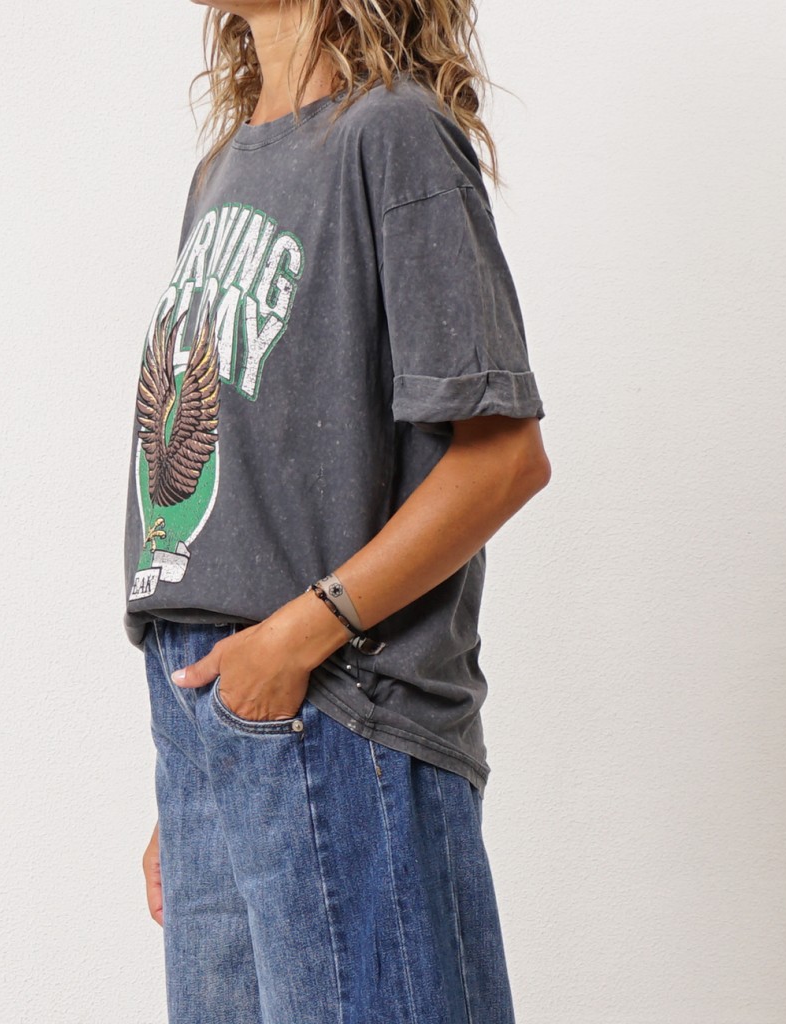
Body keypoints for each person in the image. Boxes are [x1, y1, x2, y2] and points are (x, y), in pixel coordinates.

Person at [124, 0, 551, 1019]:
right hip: (211, 712)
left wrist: (296, 640)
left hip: (341, 701)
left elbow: (503, 459)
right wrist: (199, 765)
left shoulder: (394, 136)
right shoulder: (221, 172)